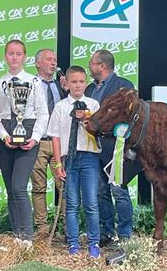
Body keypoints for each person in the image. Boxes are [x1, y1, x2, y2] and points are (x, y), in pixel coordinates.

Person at [0, 40, 49, 244]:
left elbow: (42, 113)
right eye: (10, 53)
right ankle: (17, 238)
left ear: (24, 57)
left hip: (29, 138)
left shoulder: (34, 82)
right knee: (10, 190)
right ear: (5, 56)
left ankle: (28, 238)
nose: (14, 57)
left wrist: (34, 138)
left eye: (18, 54)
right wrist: (4, 135)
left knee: (19, 187)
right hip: (5, 138)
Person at [47, 66, 101, 258]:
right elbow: (55, 136)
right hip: (68, 158)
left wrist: (88, 119)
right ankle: (73, 244)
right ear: (67, 84)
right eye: (74, 82)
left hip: (89, 157)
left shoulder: (93, 105)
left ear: (85, 83)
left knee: (91, 202)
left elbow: (99, 131)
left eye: (81, 82)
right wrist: (58, 163)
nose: (77, 85)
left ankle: (94, 243)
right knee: (71, 203)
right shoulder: (61, 107)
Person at [85, 49, 135, 245]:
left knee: (119, 191)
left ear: (102, 66)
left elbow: (132, 116)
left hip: (116, 145)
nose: (90, 66)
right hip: (93, 144)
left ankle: (125, 235)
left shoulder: (123, 86)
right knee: (100, 191)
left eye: (92, 63)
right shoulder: (89, 89)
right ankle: (107, 231)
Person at [30, 49, 67, 236]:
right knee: (38, 186)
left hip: (59, 142)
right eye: (48, 59)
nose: (53, 63)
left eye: (55, 59)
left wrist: (68, 90)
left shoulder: (62, 85)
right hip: (38, 141)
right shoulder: (31, 84)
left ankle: (67, 226)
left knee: (64, 185)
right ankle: (42, 229)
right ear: (37, 63)